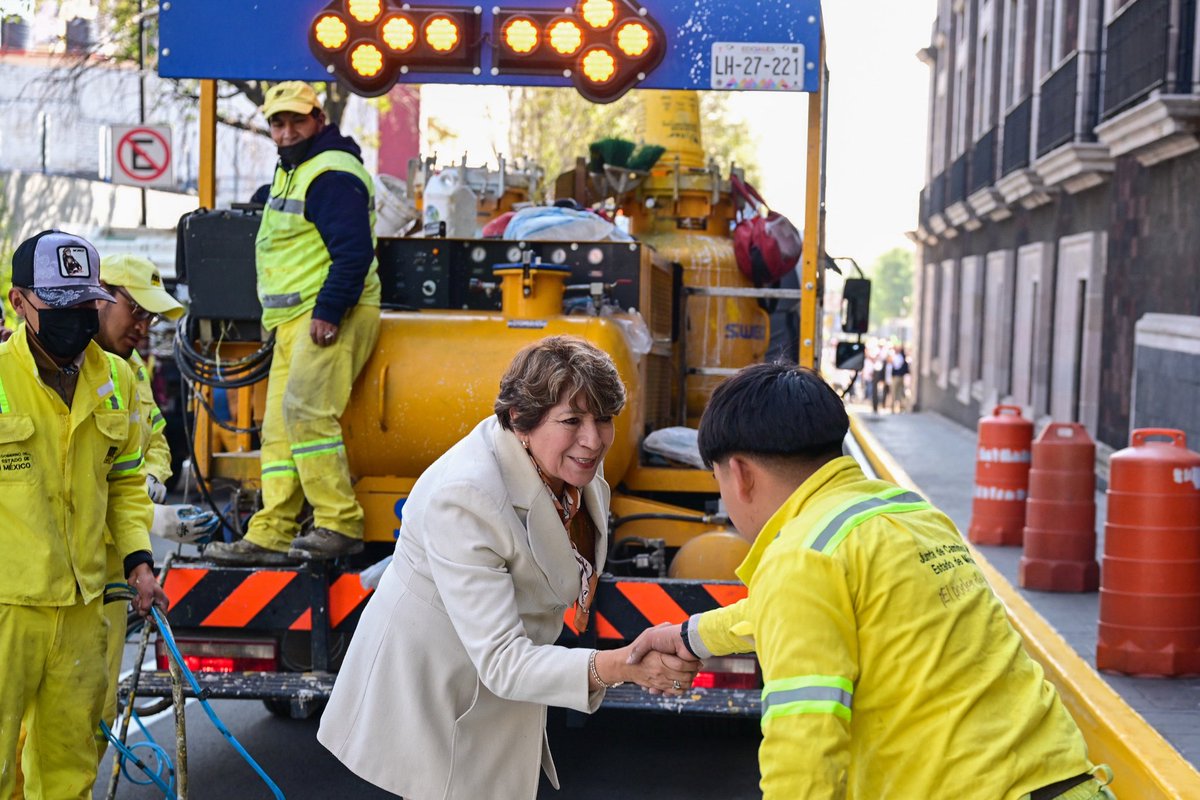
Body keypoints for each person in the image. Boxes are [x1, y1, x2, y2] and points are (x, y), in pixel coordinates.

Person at [628, 363, 1113, 800]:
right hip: (1070, 781)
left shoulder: (800, 558)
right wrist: (692, 636)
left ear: (740, 474)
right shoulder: (909, 513)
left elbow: (804, 754)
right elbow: (816, 607)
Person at [318, 336, 699, 799]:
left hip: (503, 682)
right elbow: (501, 660)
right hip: (439, 701)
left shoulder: (563, 460)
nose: (594, 439)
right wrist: (625, 665)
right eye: (572, 420)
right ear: (520, 419)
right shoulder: (466, 497)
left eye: (604, 419)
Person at [0, 230, 168, 799]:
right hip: (7, 608)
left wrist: (139, 558)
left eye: (86, 303)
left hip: (83, 607)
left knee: (70, 768)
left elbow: (123, 483)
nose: (77, 317)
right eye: (60, 306)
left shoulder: (115, 379)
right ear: (19, 302)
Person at [207, 81, 382, 565]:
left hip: (328, 314)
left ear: (318, 121)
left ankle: (339, 523)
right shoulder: (298, 170)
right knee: (280, 431)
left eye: (296, 121)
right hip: (292, 320)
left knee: (307, 414)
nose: (286, 132)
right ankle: (272, 531)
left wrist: (328, 310)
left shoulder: (330, 174)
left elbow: (352, 254)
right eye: (277, 123)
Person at [92, 253, 219, 755]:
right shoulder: (63, 369)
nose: (144, 327)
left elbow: (157, 439)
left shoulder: (131, 370)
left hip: (113, 567)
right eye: (136, 312)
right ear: (102, 295)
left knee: (91, 719)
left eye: (150, 317)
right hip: (63, 577)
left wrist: (150, 477)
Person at [890, 345, 910, 413]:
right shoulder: (902, 357)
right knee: (899, 392)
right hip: (900, 377)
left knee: (895, 392)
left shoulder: (898, 357)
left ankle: (895, 408)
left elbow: (896, 366)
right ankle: (900, 407)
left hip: (897, 377)